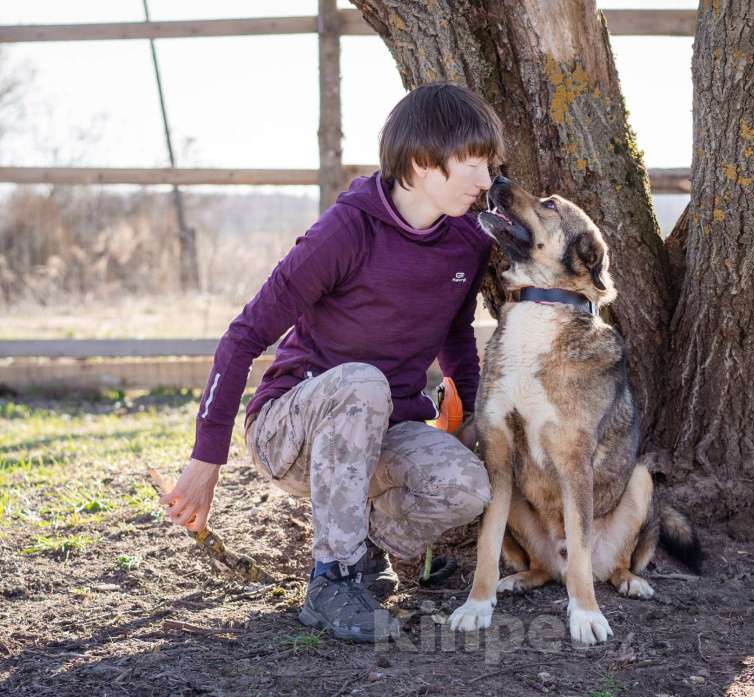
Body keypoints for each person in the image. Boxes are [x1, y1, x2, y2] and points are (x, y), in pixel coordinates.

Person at [159, 83, 504, 642]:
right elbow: (243, 337)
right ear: (423, 163)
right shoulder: (346, 231)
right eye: (473, 164)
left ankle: (363, 553)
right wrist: (205, 460)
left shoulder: (467, 239)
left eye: (489, 165)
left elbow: (456, 334)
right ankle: (331, 580)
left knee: (466, 485)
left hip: (380, 430)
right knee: (364, 383)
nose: (486, 181)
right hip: (289, 432)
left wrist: (470, 419)